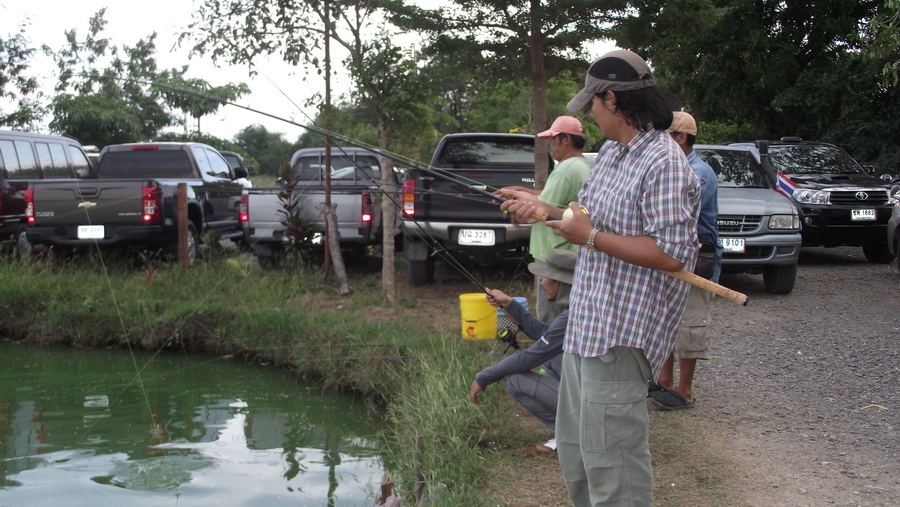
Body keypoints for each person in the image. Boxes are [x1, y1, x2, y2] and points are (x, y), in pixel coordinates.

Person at [501, 49, 700, 505]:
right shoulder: (612, 153)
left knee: (615, 468)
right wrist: (543, 208)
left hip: (620, 336)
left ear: (613, 100)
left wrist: (588, 235)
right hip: (586, 328)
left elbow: (672, 254)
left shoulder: (665, 163)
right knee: (577, 454)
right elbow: (585, 216)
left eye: (592, 101)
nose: (589, 111)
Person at [468, 249, 576, 454]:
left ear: (561, 283)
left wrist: (484, 377)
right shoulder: (578, 309)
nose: (542, 284)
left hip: (591, 402)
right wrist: (511, 305)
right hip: (596, 398)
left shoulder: (571, 316)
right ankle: (573, 433)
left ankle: (570, 436)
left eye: (546, 278)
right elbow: (546, 335)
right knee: (551, 360)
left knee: (516, 380)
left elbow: (530, 357)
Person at [650, 111, 721, 410]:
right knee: (667, 319)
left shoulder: (698, 173)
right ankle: (665, 381)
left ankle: (685, 389)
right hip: (670, 255)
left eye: (667, 136)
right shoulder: (673, 168)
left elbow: (683, 216)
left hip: (696, 258)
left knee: (690, 323)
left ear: (680, 138)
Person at [494, 117, 590, 322]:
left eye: (553, 139)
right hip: (564, 255)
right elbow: (555, 202)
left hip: (553, 258)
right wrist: (523, 192)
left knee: (551, 318)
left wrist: (519, 208)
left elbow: (542, 210)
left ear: (566, 140)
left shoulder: (566, 169)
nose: (550, 145)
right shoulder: (581, 165)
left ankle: (550, 353)